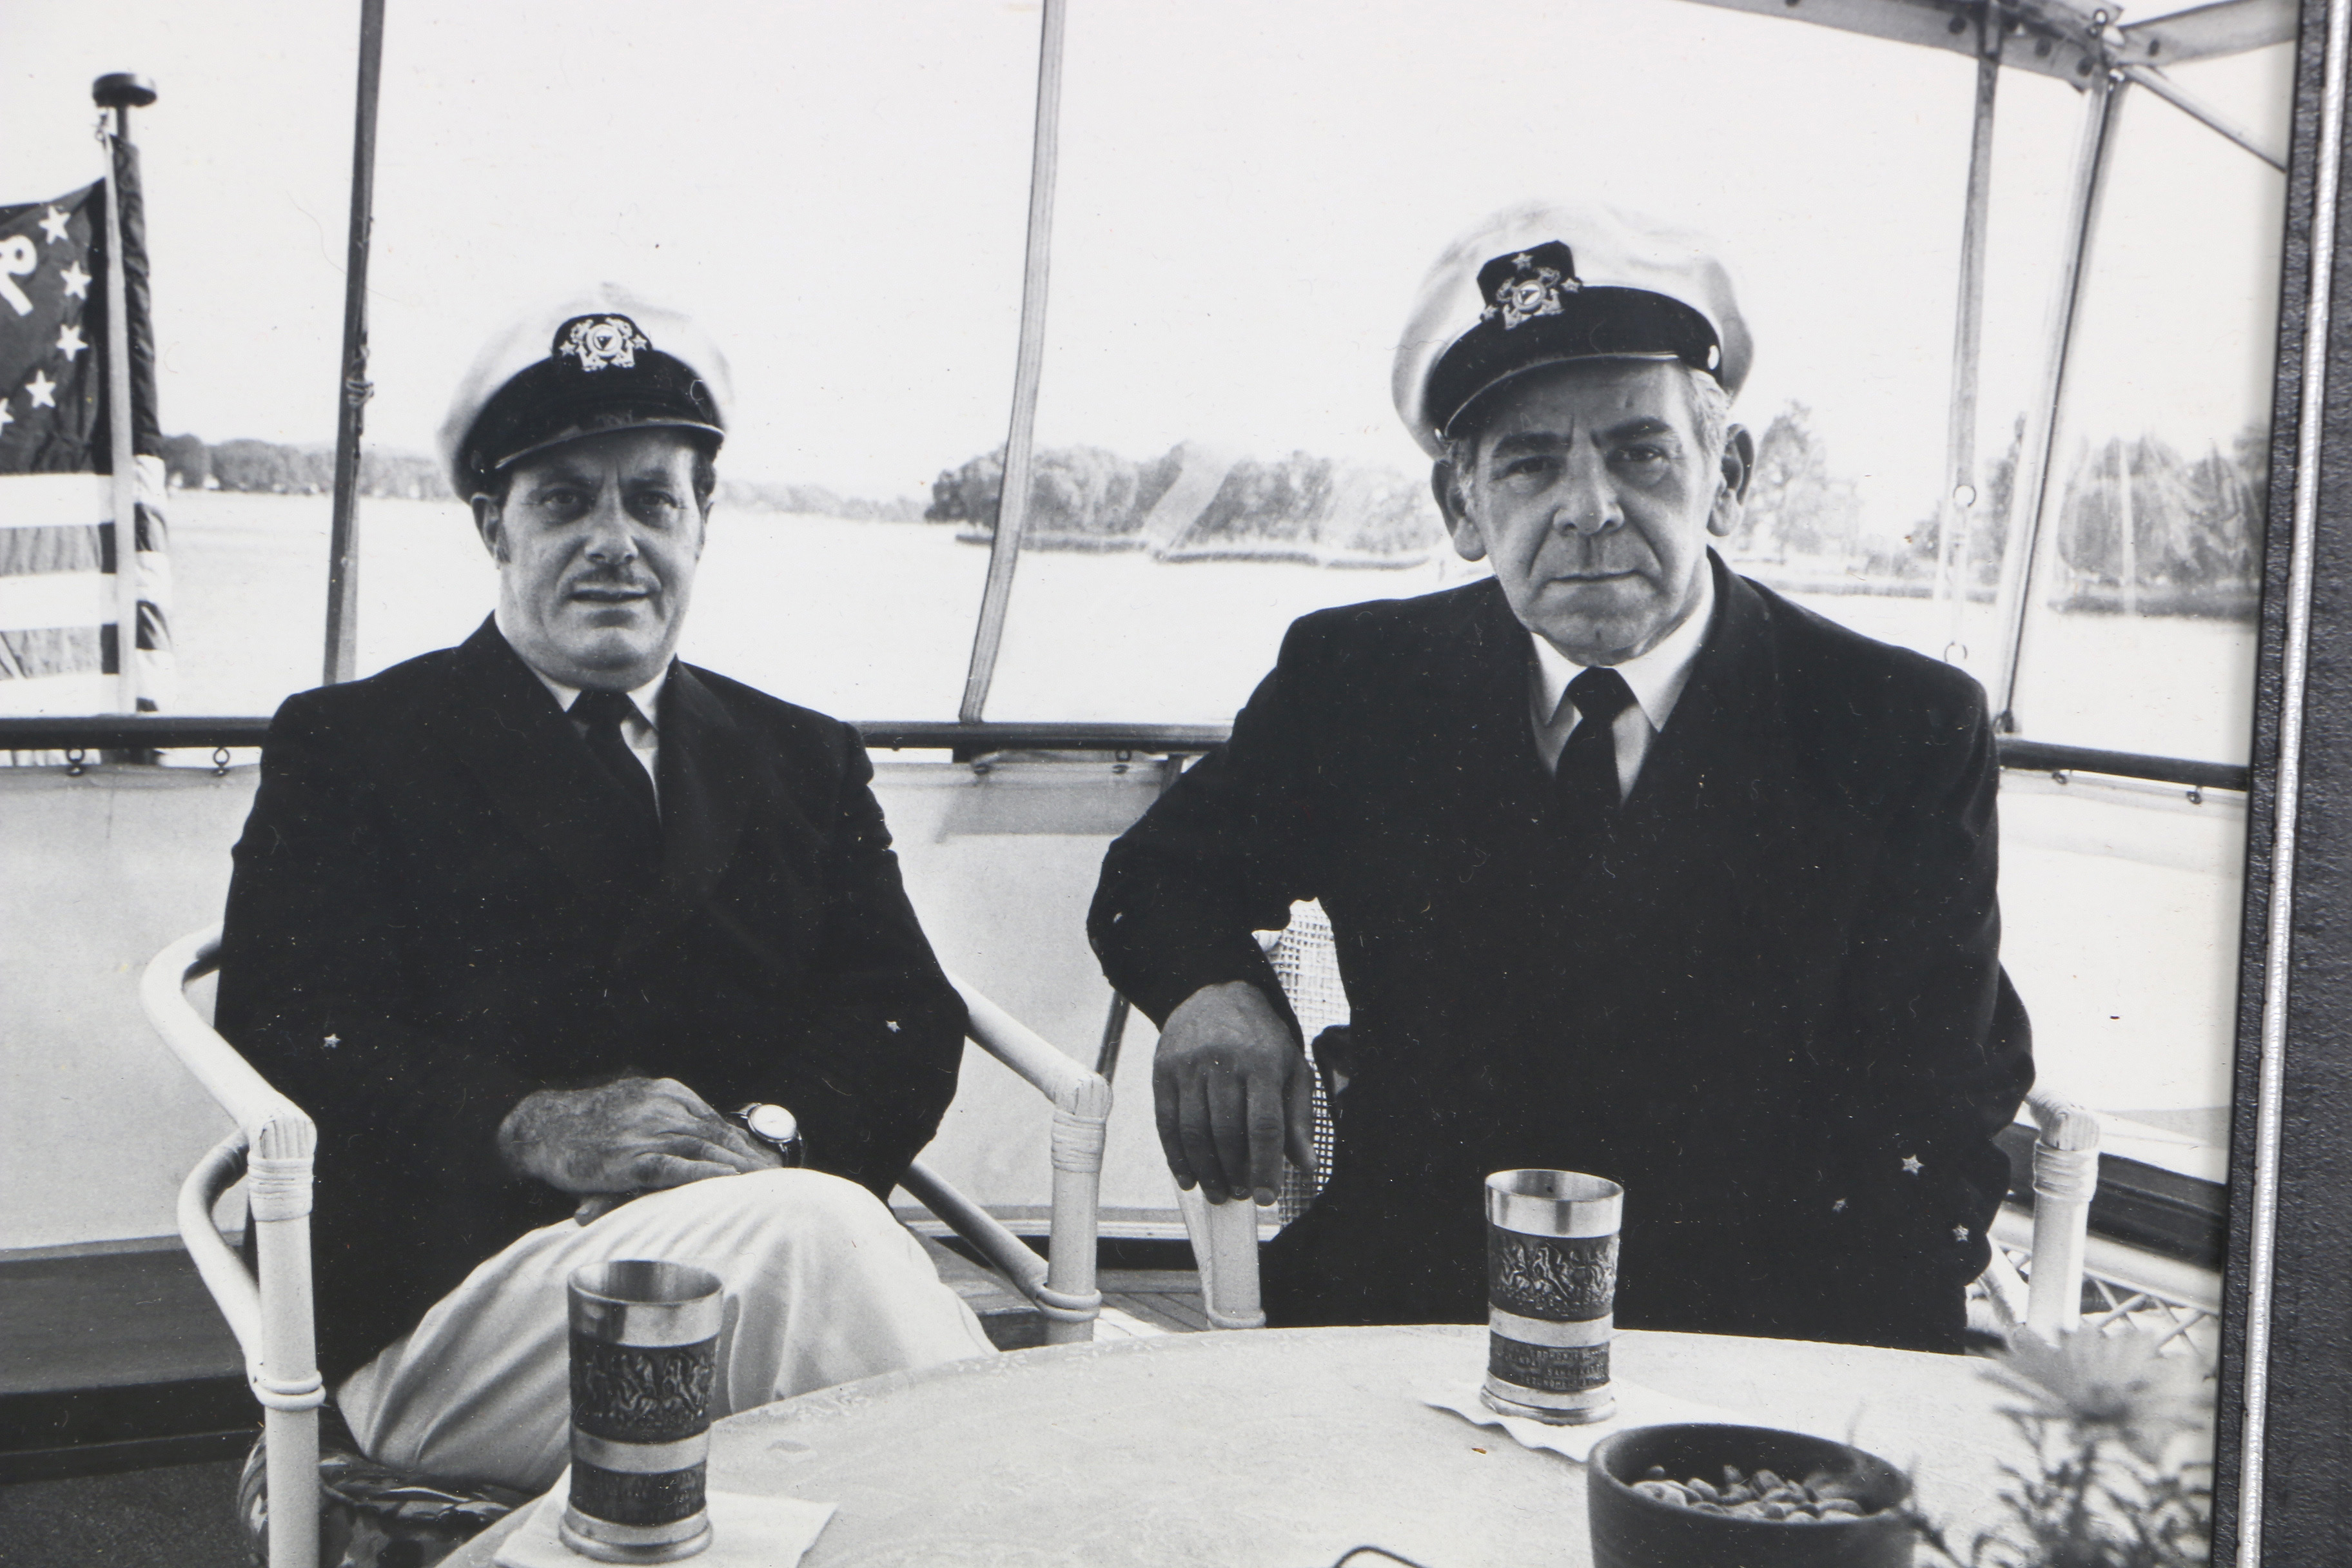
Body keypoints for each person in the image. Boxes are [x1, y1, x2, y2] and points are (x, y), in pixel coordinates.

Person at [1088, 202, 2034, 1353]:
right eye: (1531, 464)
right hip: (1412, 1303)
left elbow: (1946, 1083)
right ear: (1463, 507)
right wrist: (1213, 993)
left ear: (1728, 477)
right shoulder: (1361, 679)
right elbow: (1155, 879)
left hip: (1764, 1321)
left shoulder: (1894, 724)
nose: (1589, 510)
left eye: (1641, 452)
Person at [215, 289, 992, 1493]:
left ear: (702, 521)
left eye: (652, 500)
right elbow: (284, 1019)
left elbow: (900, 1012)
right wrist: (529, 1124)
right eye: (566, 501)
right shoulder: (356, 745)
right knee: (832, 1252)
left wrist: (766, 1143)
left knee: (810, 1252)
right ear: (495, 526)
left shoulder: (801, 757)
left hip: (758, 1240)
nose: (614, 542)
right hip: (461, 1305)